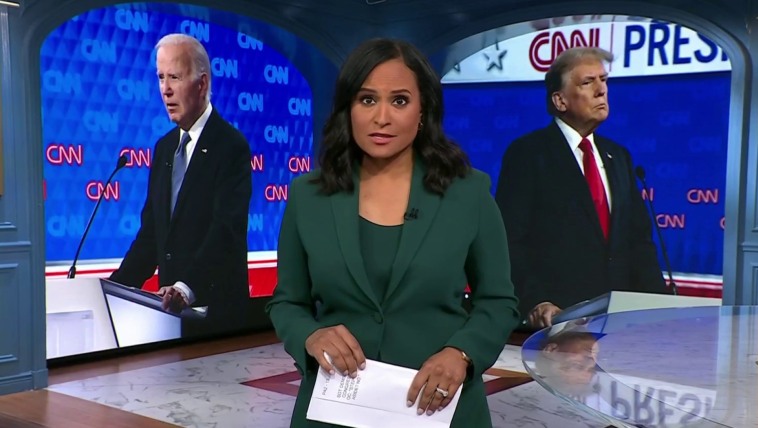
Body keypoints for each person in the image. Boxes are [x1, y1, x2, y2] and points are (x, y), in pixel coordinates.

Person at [266, 38, 520, 427]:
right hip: (336, 406)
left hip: (439, 407)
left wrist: (462, 353)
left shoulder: (468, 193)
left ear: (423, 111)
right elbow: (287, 302)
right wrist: (309, 336)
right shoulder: (308, 195)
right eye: (367, 99)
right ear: (348, 108)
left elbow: (499, 302)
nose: (381, 117)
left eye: (399, 100)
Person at [494, 47, 666, 330]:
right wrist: (536, 300)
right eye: (588, 82)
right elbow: (509, 241)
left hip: (617, 325)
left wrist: (661, 310)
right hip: (558, 323)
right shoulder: (529, 153)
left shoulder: (618, 156)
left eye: (604, 80)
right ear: (560, 100)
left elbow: (639, 243)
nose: (601, 90)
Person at [109, 33, 252, 336]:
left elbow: (225, 230)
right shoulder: (164, 149)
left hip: (218, 318)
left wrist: (186, 287)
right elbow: (152, 235)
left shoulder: (231, 146)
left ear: (201, 83)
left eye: (174, 77)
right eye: (161, 78)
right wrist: (113, 288)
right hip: (170, 319)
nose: (166, 89)